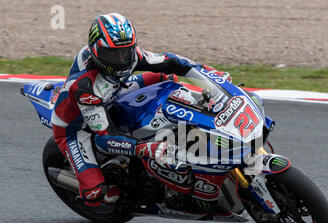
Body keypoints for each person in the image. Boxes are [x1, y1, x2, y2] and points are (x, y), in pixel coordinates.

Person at [51, 13, 229, 209]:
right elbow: (104, 138)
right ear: (96, 51)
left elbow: (172, 61)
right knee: (96, 193)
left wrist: (208, 76)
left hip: (113, 92)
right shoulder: (85, 87)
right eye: (112, 55)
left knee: (166, 76)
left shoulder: (131, 55)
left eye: (125, 52)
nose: (120, 59)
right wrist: (142, 148)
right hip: (77, 127)